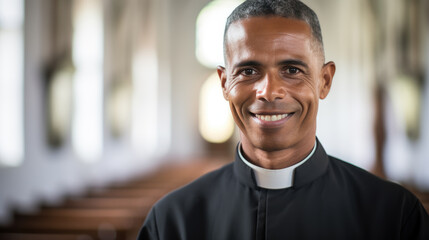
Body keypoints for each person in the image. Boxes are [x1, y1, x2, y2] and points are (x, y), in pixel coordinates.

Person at [138, 0, 429, 239]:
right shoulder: (171, 221)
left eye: (291, 70)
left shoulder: (394, 216)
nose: (269, 92)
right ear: (224, 83)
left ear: (325, 80)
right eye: (249, 71)